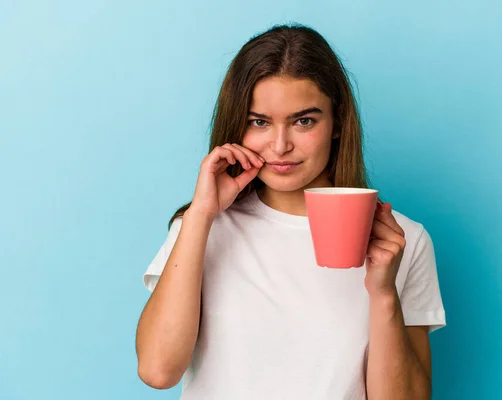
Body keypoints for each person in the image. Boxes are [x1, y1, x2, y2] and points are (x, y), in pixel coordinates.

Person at [135, 23, 446, 400]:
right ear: (237, 125)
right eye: (259, 122)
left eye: (304, 121)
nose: (280, 146)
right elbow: (157, 370)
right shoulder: (201, 227)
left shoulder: (402, 242)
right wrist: (201, 216)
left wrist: (383, 295)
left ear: (337, 122)